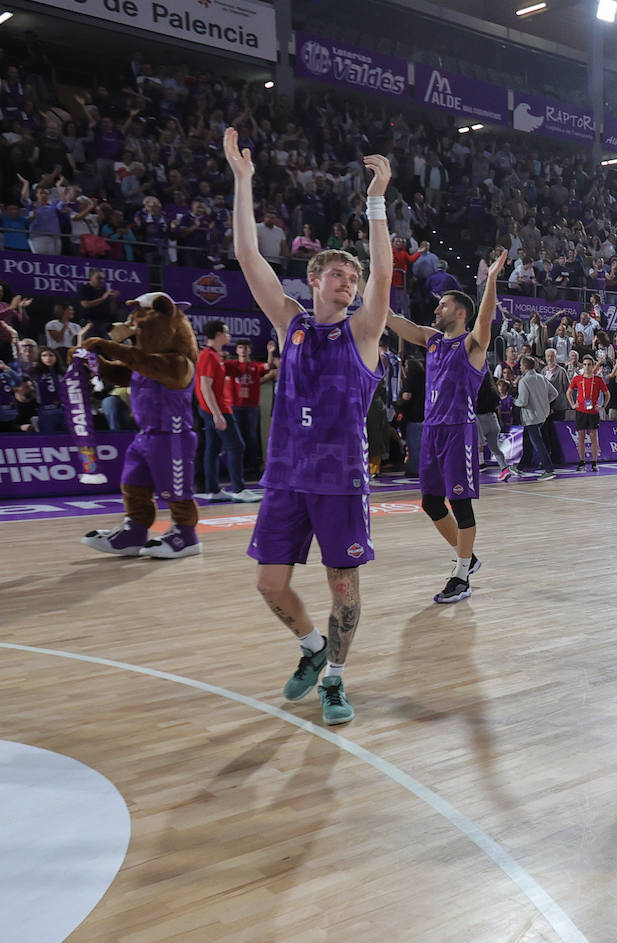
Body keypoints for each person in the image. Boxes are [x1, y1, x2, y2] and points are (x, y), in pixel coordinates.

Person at [226, 126, 394, 727]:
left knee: (343, 592)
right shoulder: (290, 323)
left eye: (352, 279)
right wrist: (244, 183)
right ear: (315, 281)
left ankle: (336, 678)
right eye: (337, 276)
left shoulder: (364, 332)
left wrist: (377, 200)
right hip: (286, 478)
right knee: (271, 585)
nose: (348, 283)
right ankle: (311, 649)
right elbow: (248, 257)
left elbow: (384, 273)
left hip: (341, 479)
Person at [385, 250, 505, 604]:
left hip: (459, 430)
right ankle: (467, 557)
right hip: (432, 430)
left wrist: (492, 279)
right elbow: (391, 318)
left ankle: (461, 575)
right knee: (431, 503)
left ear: (460, 312)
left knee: (460, 503)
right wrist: (364, 281)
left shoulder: (471, 345)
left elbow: (485, 320)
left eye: (443, 305)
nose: (436, 309)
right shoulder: (432, 340)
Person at [196, 320, 260, 503]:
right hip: (218, 409)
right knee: (237, 446)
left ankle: (214, 490)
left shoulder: (214, 355)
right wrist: (216, 414)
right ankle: (239, 489)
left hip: (214, 409)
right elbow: (204, 387)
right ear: (218, 334)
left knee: (213, 448)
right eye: (226, 332)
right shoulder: (208, 356)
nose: (229, 335)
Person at [224, 338, 277, 478]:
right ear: (236, 350)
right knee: (236, 439)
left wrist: (270, 353)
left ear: (250, 350)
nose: (244, 350)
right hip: (234, 407)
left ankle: (252, 468)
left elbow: (268, 366)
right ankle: (236, 468)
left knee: (252, 438)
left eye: (246, 347)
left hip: (252, 408)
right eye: (241, 347)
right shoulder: (231, 365)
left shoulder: (255, 366)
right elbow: (218, 369)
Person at [514, 356, 558, 480]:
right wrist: (544, 402)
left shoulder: (524, 381)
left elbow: (522, 401)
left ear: (525, 366)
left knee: (538, 444)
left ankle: (549, 470)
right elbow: (554, 393)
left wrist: (514, 401)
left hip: (531, 417)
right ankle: (520, 467)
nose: (520, 367)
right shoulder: (541, 377)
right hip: (542, 416)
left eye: (521, 365)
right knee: (528, 442)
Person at [569, 354, 608, 470]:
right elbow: (568, 392)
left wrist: (602, 406)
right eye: (585, 364)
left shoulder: (598, 379)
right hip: (581, 411)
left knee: (593, 437)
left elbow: (607, 394)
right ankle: (582, 462)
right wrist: (572, 404)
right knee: (581, 437)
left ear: (592, 366)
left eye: (589, 365)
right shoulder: (577, 379)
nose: (587, 367)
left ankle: (594, 462)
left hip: (593, 412)